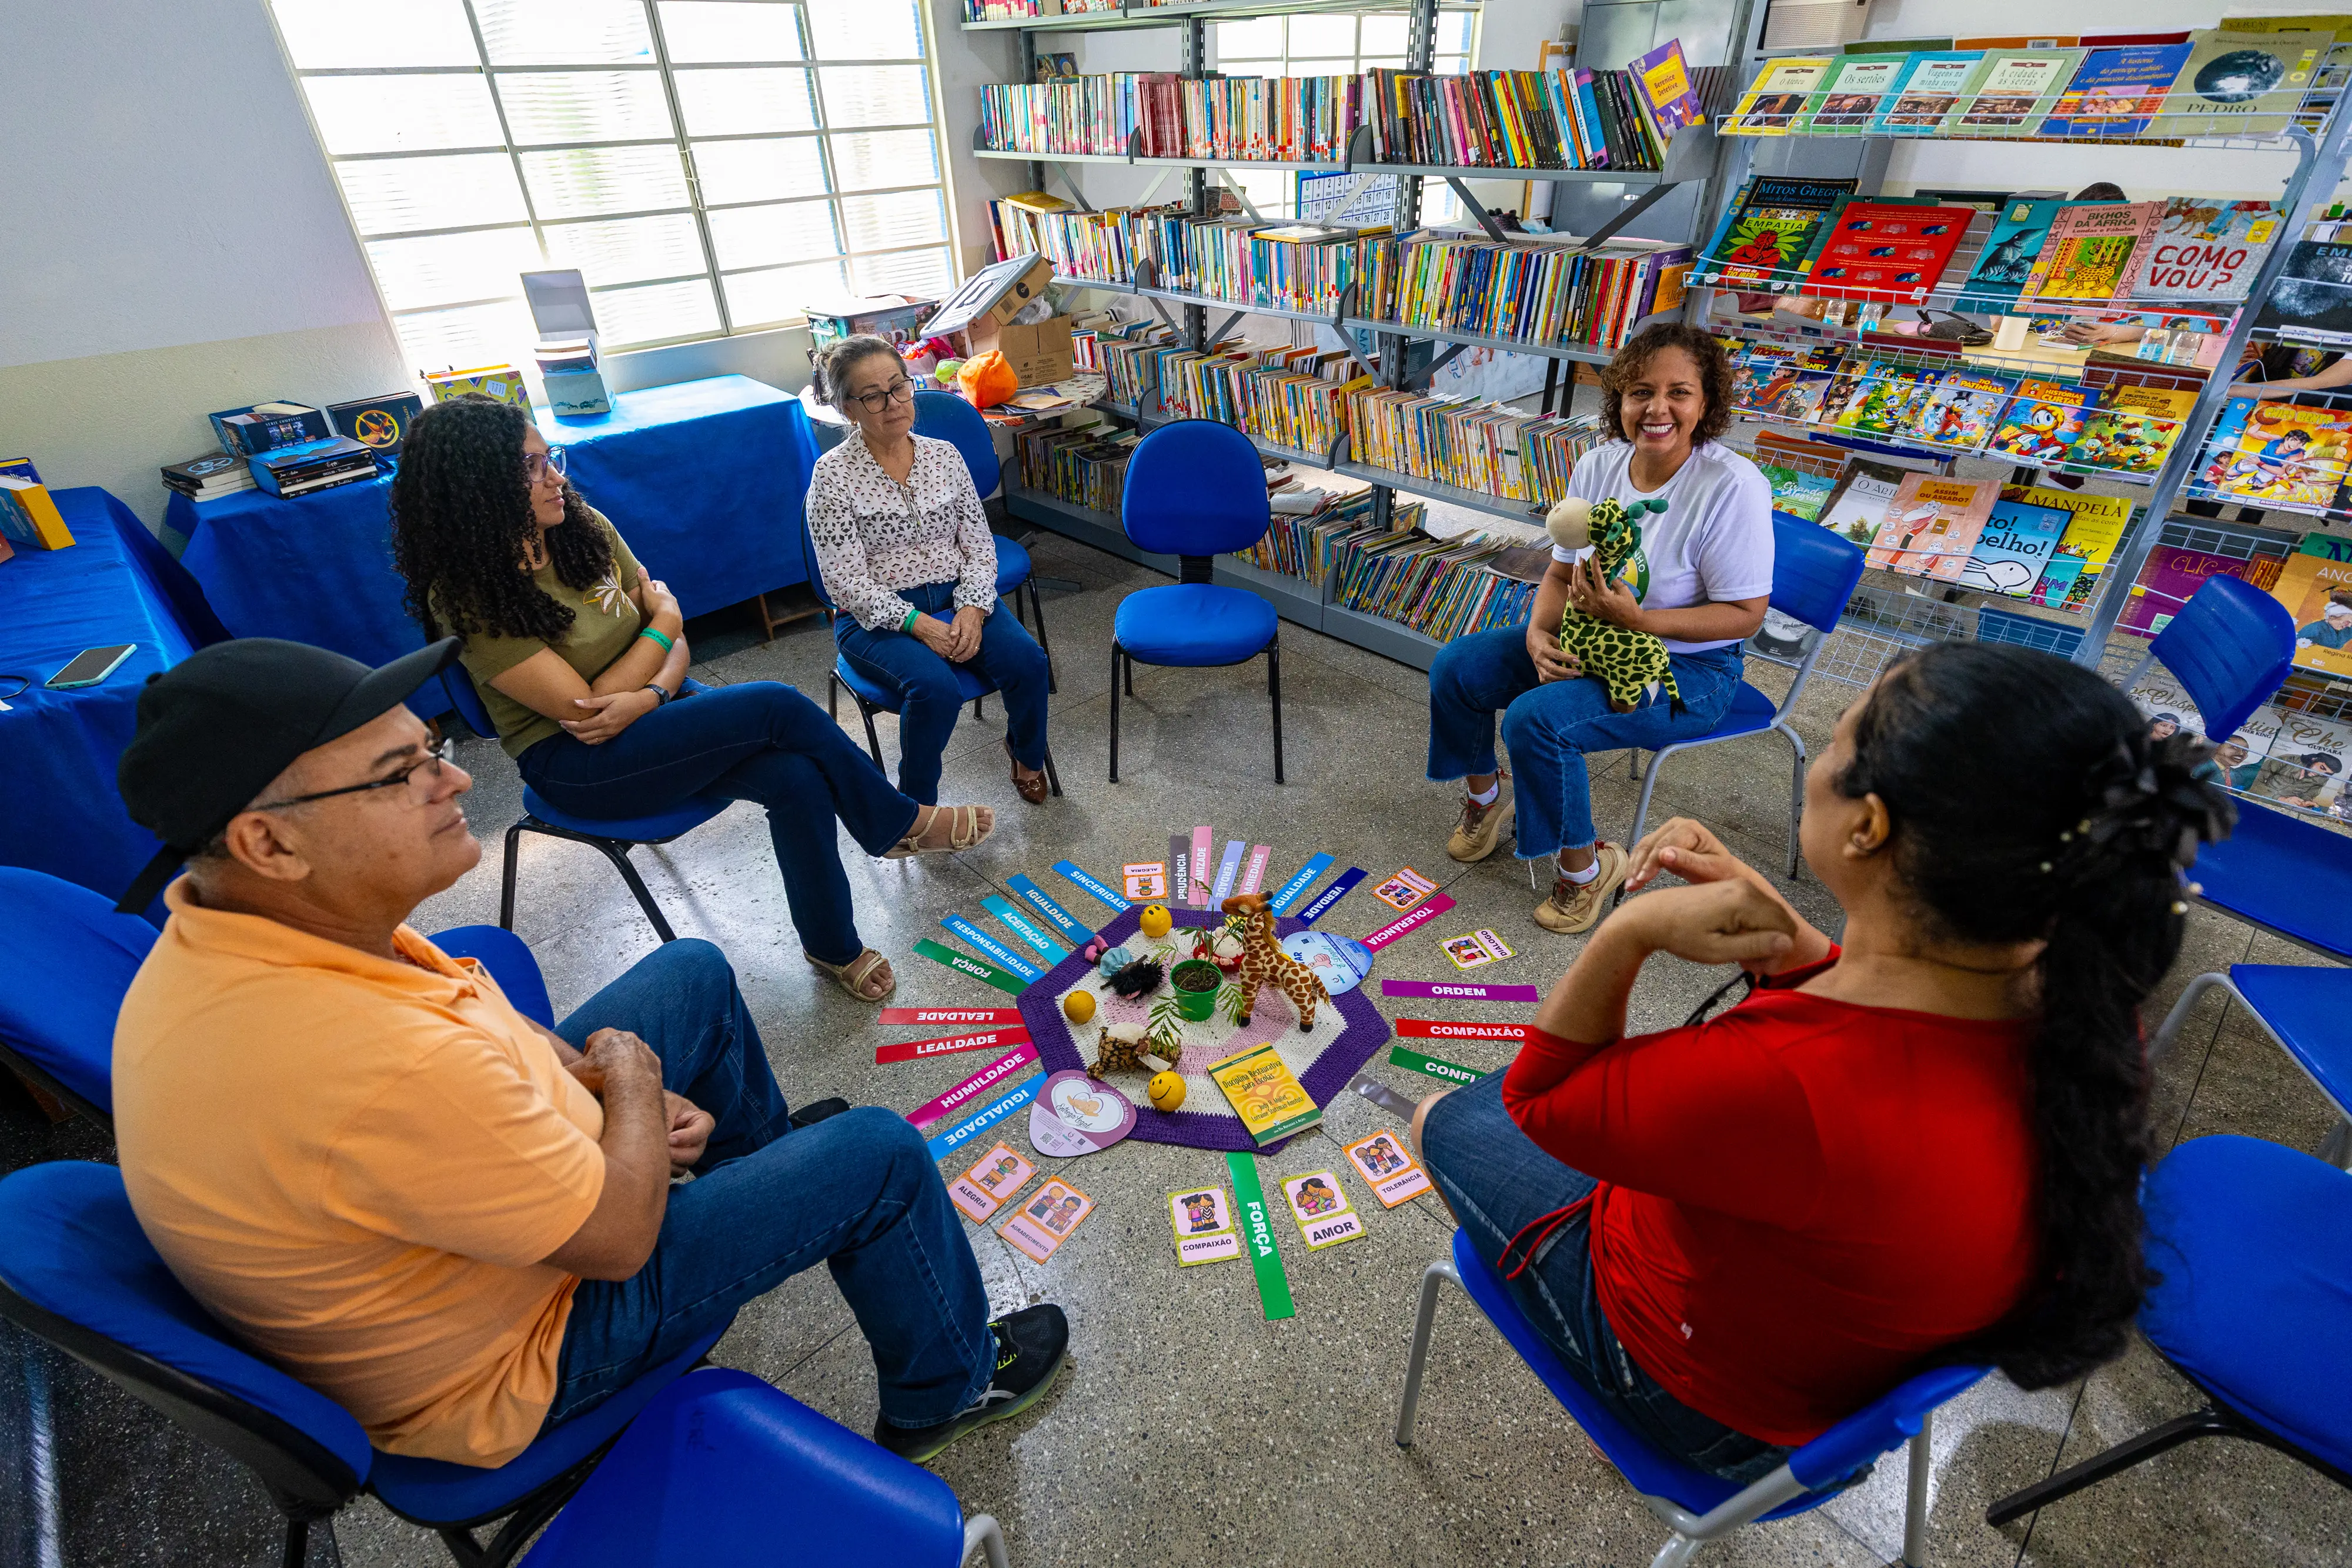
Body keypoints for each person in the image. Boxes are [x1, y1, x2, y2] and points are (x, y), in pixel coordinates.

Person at [108, 638, 1067, 1469]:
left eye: (433, 748)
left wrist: (590, 1084)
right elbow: (614, 1238)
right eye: (401, 773)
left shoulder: (241, 928)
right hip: (524, 1349)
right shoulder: (357, 1061)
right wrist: (634, 1100)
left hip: (496, 1222)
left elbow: (464, 1010)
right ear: (267, 840)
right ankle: (945, 1393)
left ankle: (759, 1179)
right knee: (880, 1157)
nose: (456, 782)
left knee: (689, 971)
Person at [1411, 643, 2231, 1480]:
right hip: (1838, 1383)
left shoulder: (1791, 1077)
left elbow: (1541, 1098)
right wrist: (1807, 951)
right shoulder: (2079, 994)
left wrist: (1630, 929)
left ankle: (1607, 1385)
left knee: (1439, 1115)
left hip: (1704, 1402)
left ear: (1869, 825)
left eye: (1834, 739)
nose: (1822, 751)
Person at [388, 394, 994, 1004]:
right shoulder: (469, 595)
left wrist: (650, 686)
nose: (556, 477)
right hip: (577, 763)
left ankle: (831, 943)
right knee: (776, 704)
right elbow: (585, 709)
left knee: (796, 778)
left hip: (657, 709)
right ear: (476, 486)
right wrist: (662, 631)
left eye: (551, 459)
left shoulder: (582, 527)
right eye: (532, 467)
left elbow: (673, 639)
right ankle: (893, 823)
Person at [1426, 322, 1773, 933]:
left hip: (1688, 670)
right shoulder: (1598, 464)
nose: (1657, 408)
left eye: (1679, 393)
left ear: (1707, 403)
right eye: (1640, 391)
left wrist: (1639, 620)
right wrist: (1538, 634)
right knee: (1458, 668)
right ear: (1618, 400)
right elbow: (1560, 576)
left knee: (1539, 722)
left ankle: (1586, 872)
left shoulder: (1733, 486)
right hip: (1593, 638)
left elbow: (1746, 615)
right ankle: (1485, 798)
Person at [806, 334, 1054, 806]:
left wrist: (974, 609)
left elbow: (980, 547)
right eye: (872, 396)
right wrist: (919, 625)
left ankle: (1026, 755)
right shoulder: (832, 475)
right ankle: (915, 807)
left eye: (899, 387)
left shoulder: (944, 456)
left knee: (1028, 662)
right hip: (875, 619)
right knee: (934, 690)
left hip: (958, 594)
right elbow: (843, 581)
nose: (892, 403)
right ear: (847, 409)